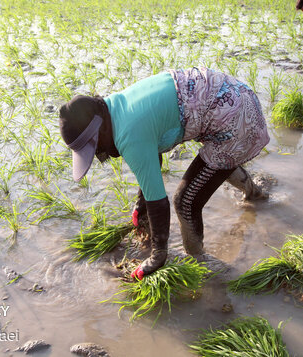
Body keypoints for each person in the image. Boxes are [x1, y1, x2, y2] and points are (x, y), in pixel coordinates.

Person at [59, 67, 269, 280]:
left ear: (101, 128)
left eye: (94, 146)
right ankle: (254, 193)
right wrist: (141, 205)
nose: (98, 153)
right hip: (235, 96)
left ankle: (199, 261)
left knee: (185, 202)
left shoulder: (129, 135)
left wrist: (158, 254)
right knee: (215, 163)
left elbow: (159, 201)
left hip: (237, 118)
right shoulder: (118, 106)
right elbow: (152, 157)